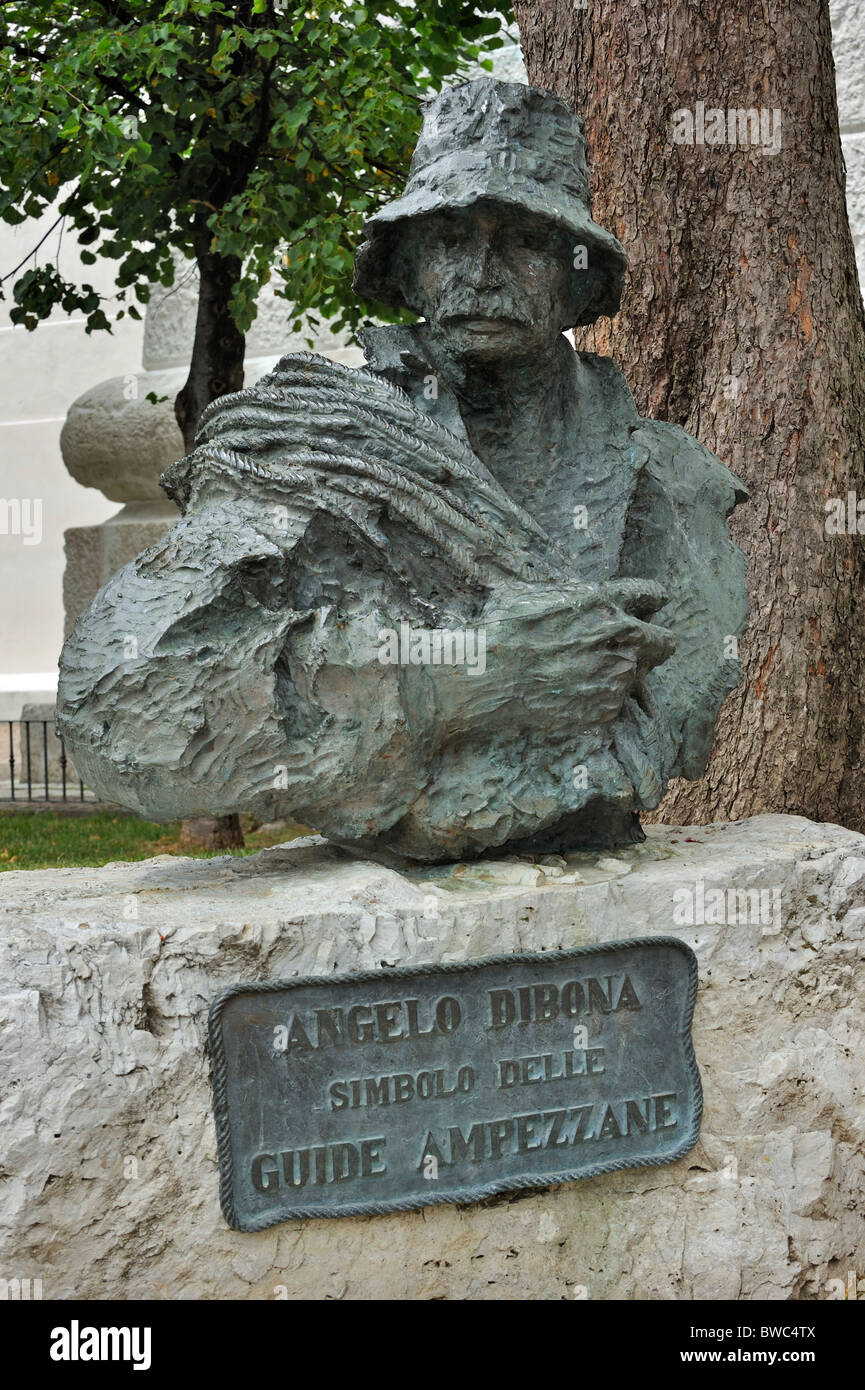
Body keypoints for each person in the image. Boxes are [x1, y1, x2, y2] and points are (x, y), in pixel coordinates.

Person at [57, 79, 747, 862]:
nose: (483, 272)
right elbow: (121, 710)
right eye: (450, 240)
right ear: (406, 268)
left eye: (524, 242)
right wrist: (450, 685)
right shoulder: (308, 452)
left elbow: (686, 678)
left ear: (582, 278)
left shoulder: (676, 483)